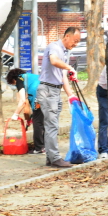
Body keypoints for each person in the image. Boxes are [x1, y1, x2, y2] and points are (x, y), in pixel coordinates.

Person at [38, 27, 80, 169]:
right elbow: (54, 61)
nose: (76, 44)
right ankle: (55, 158)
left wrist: (70, 95)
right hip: (48, 90)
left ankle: (50, 158)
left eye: (78, 42)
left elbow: (62, 76)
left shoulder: (64, 52)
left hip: (55, 90)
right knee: (52, 125)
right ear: (67, 36)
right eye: (75, 41)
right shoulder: (54, 47)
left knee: (52, 125)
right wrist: (70, 68)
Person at [5, 67, 44, 155]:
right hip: (50, 96)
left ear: (13, 79)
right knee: (45, 122)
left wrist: (15, 114)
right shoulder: (32, 77)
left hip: (39, 98)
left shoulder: (20, 79)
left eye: (14, 84)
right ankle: (48, 147)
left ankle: (39, 148)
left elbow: (22, 100)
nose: (16, 85)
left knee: (38, 123)